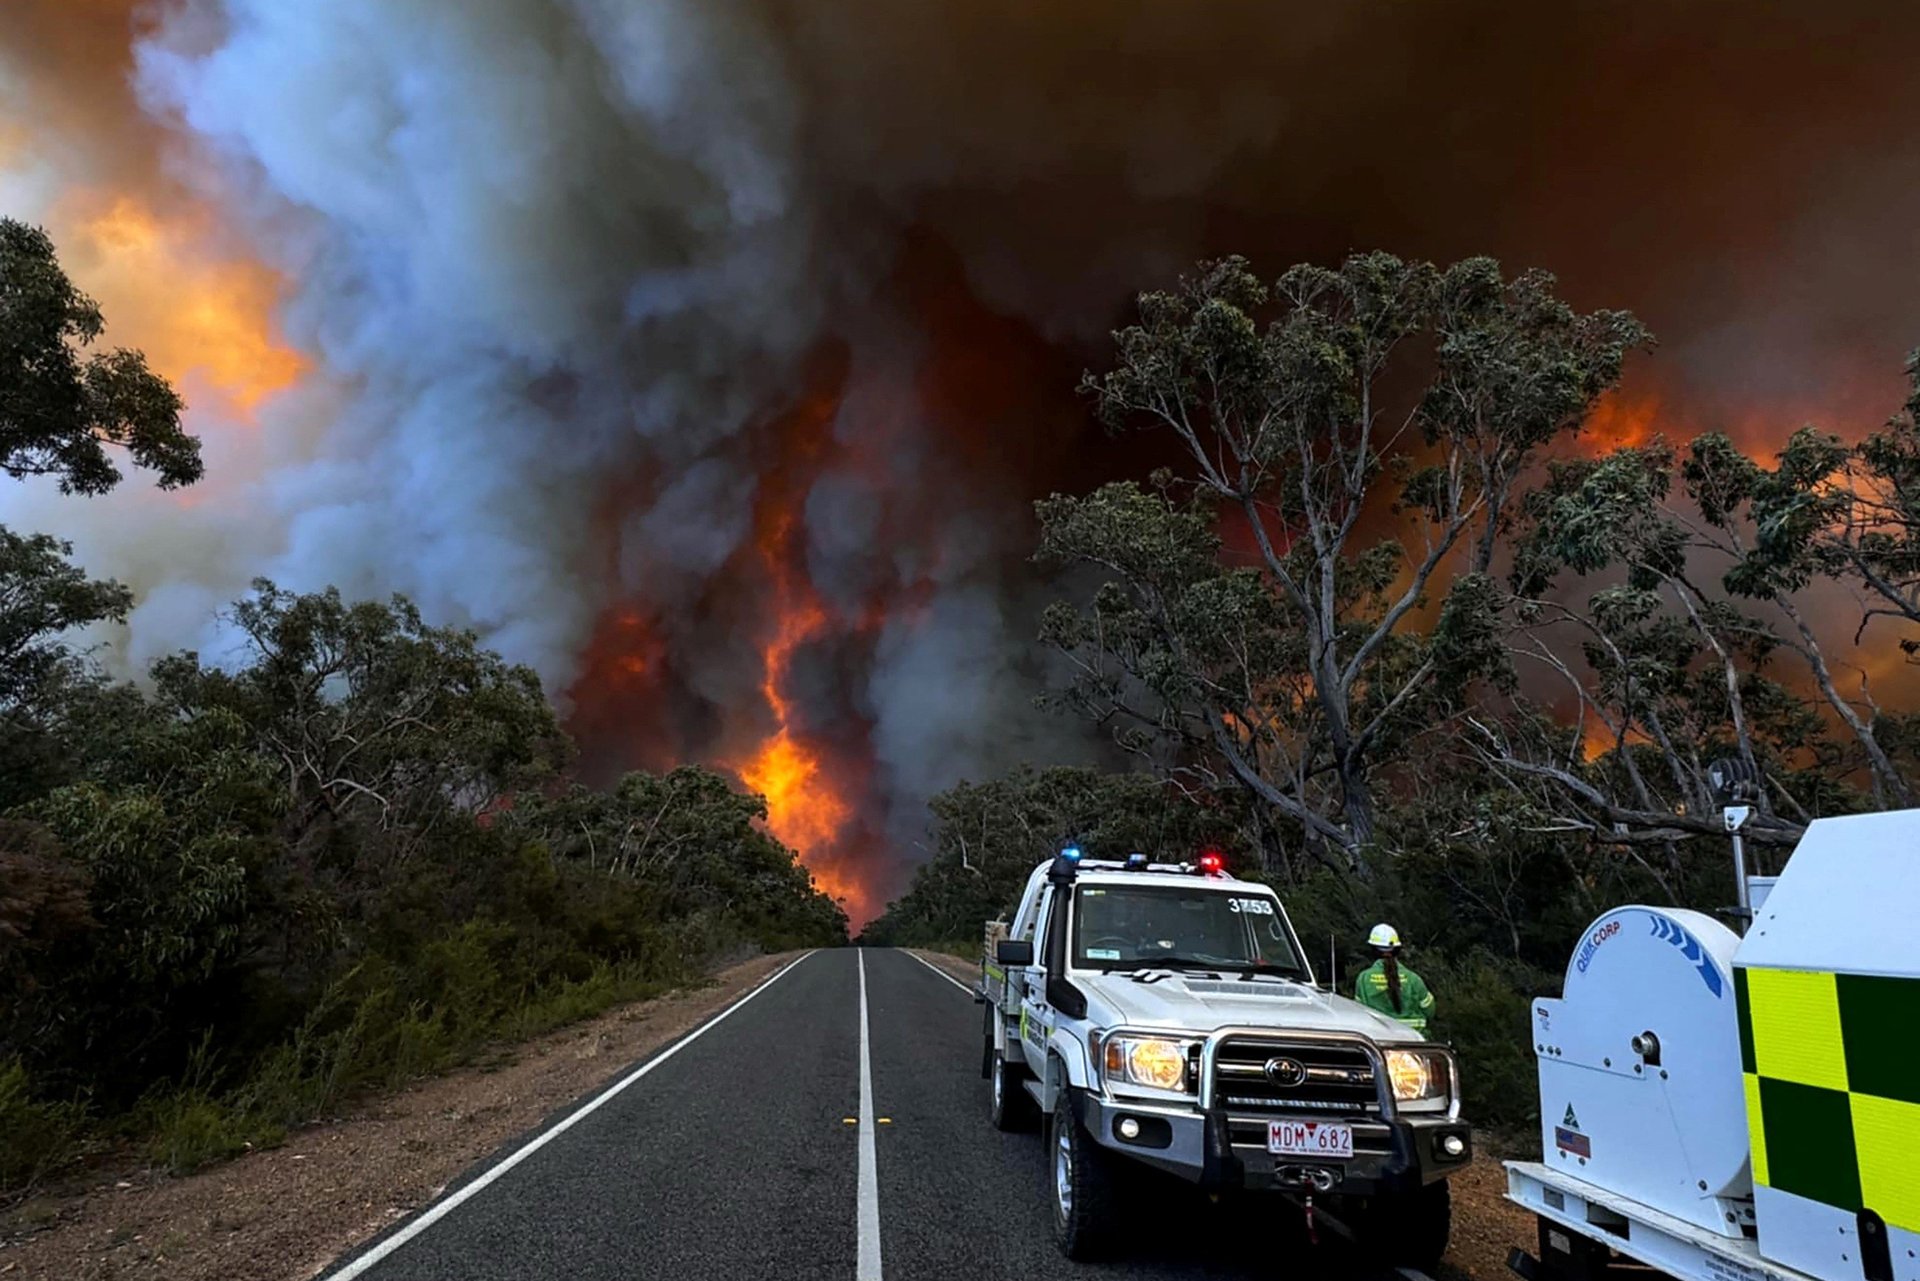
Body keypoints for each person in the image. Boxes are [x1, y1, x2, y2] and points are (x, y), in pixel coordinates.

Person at [1353, 923, 1434, 1032]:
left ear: (1372, 950)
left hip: (1377, 1042)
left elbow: (1358, 1012)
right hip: (1414, 1043)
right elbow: (1430, 1011)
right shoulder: (1414, 979)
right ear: (1397, 950)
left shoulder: (1363, 979)